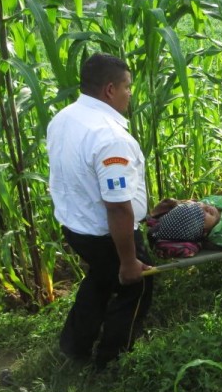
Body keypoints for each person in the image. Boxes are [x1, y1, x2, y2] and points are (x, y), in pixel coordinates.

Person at [47, 52, 153, 369]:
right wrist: (129, 260)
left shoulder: (63, 118)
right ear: (109, 90)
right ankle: (111, 361)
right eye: (127, 87)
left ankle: (74, 348)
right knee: (135, 285)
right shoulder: (109, 136)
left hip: (75, 226)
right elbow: (118, 208)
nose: (129, 94)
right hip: (105, 233)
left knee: (100, 280)